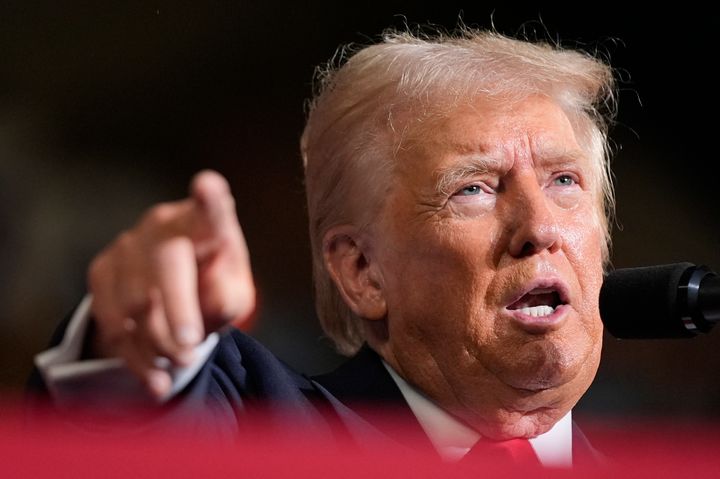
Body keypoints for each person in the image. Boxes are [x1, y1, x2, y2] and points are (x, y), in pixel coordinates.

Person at [29, 27, 615, 468]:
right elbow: (125, 437)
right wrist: (134, 347)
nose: (540, 227)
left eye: (564, 181)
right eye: (474, 189)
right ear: (363, 271)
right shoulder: (259, 427)